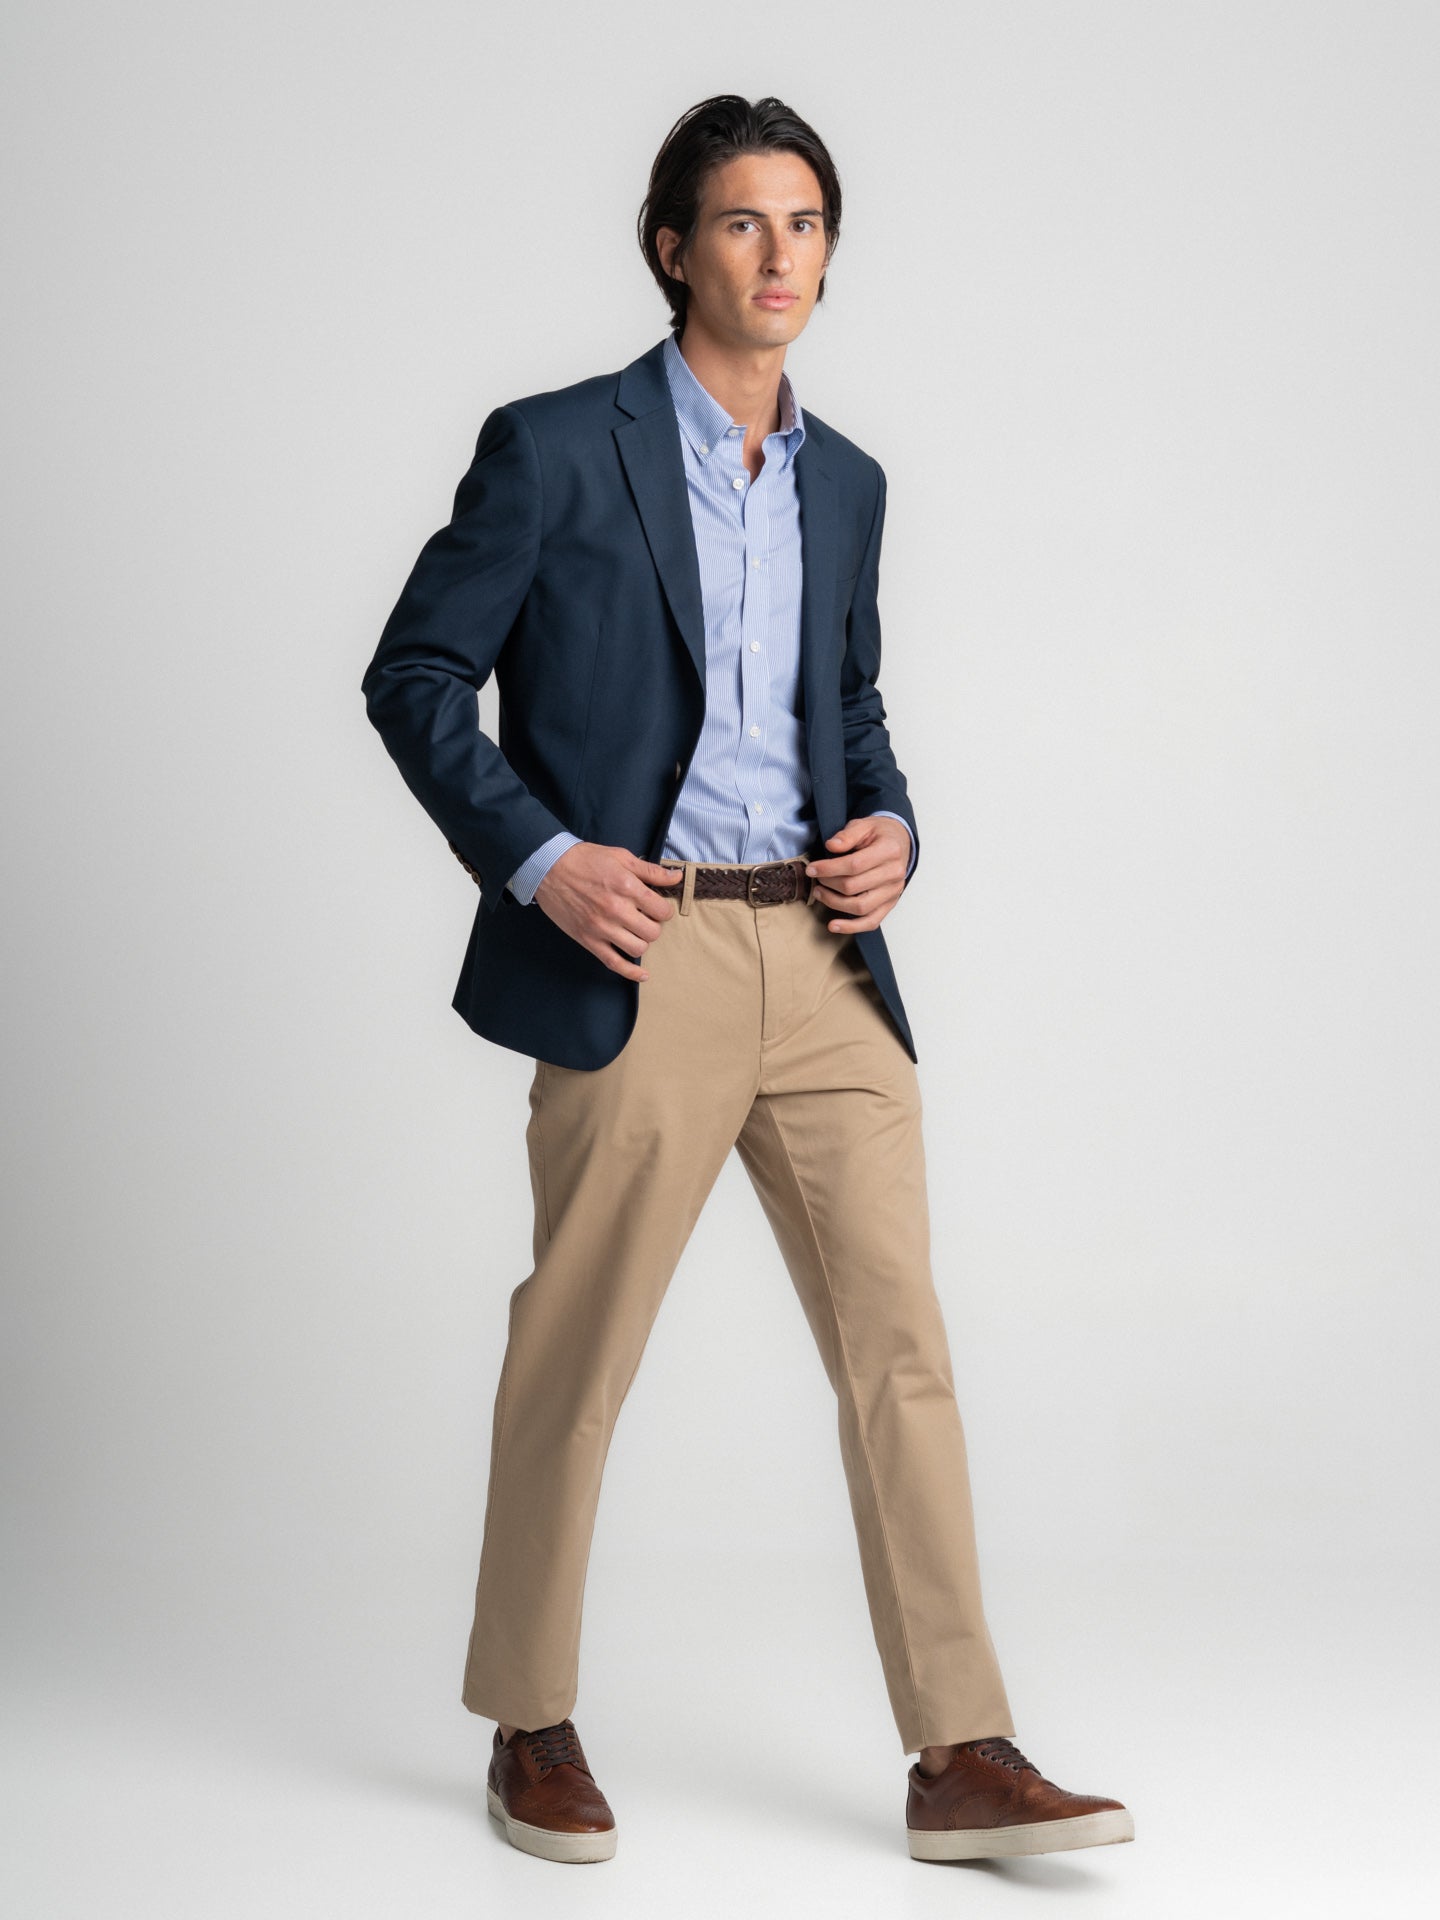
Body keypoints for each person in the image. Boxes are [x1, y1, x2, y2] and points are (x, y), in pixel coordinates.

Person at [361, 93, 1133, 1868]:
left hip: (826, 960)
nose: (780, 255)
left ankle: (961, 1748)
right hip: (647, 952)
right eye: (741, 222)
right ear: (672, 247)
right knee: (580, 1345)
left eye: (806, 224)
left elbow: (845, 703)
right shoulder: (557, 447)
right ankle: (529, 1718)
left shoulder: (847, 480)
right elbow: (416, 676)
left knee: (900, 1347)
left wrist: (896, 828)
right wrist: (545, 860)